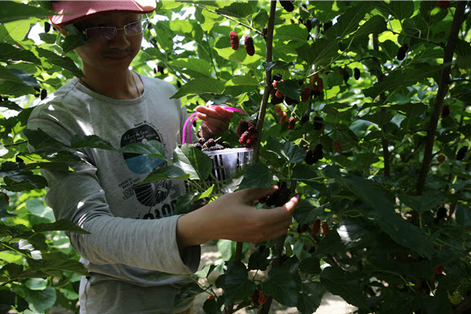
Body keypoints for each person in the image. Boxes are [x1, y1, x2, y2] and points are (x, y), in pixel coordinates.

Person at [27, 1, 301, 313]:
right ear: (63, 29)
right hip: (122, 301)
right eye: (100, 27)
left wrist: (207, 141)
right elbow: (86, 232)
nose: (120, 40)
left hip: (183, 287)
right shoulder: (55, 119)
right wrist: (199, 228)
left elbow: (186, 182)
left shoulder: (165, 94)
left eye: (131, 24)